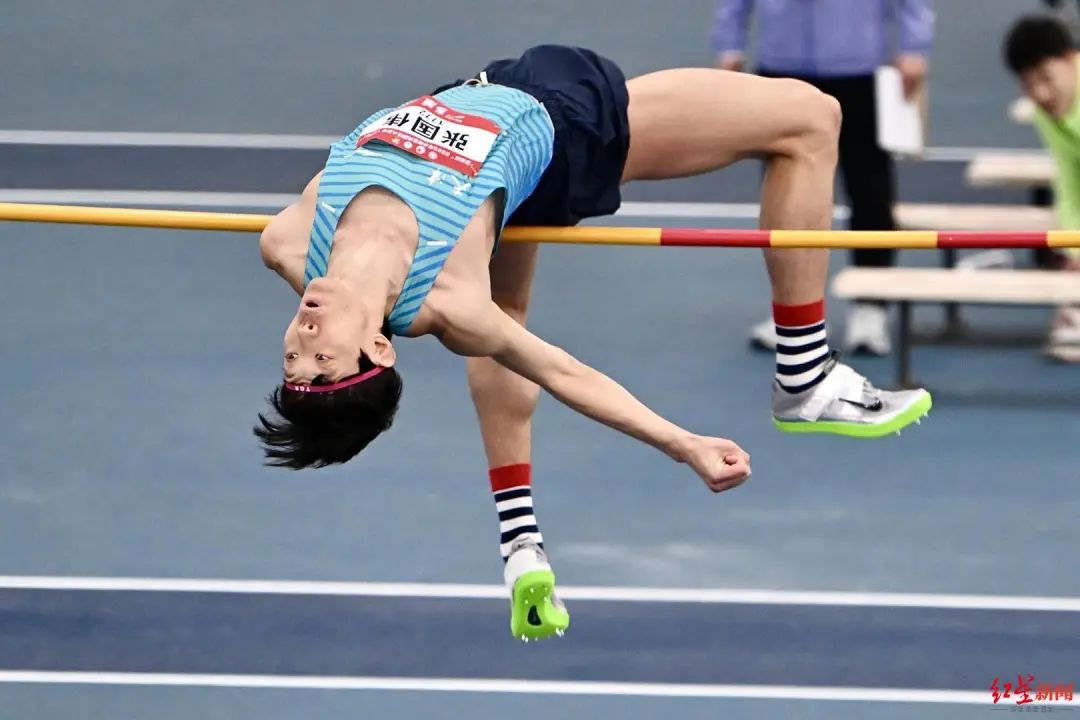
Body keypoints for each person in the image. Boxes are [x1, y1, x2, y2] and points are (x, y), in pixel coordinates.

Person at [254, 45, 932, 641]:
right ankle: (805, 374)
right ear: (379, 349)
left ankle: (521, 543)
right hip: (565, 130)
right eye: (324, 360)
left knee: (509, 307)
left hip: (486, 91)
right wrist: (684, 444)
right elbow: (565, 374)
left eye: (293, 359)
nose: (305, 337)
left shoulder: (289, 241)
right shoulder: (450, 299)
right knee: (810, 118)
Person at [712, 0, 934, 356]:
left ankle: (871, 307)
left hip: (858, 66)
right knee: (785, 198)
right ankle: (792, 312)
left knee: (869, 190)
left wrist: (914, 45)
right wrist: (729, 43)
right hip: (781, 67)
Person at [1004, 16, 1080, 358]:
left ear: (1070, 58)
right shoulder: (1046, 112)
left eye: (1047, 78)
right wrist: (1074, 249)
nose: (1041, 93)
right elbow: (1070, 184)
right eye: (1029, 84)